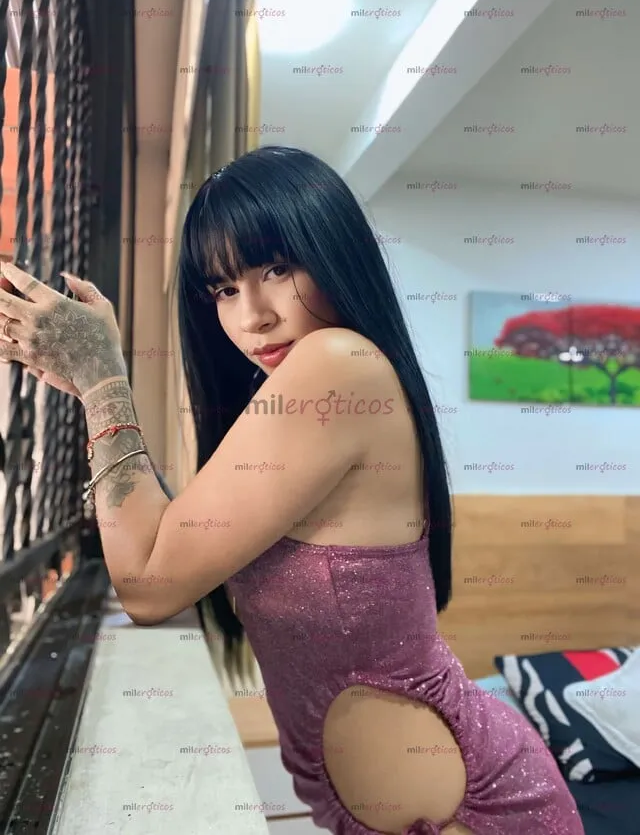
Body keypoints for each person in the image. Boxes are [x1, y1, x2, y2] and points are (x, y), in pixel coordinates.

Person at [0, 146, 584, 835]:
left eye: (277, 268)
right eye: (223, 289)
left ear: (336, 254)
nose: (252, 315)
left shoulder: (338, 363)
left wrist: (103, 381)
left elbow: (149, 583)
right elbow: (170, 541)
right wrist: (94, 385)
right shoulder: (302, 389)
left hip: (481, 812)